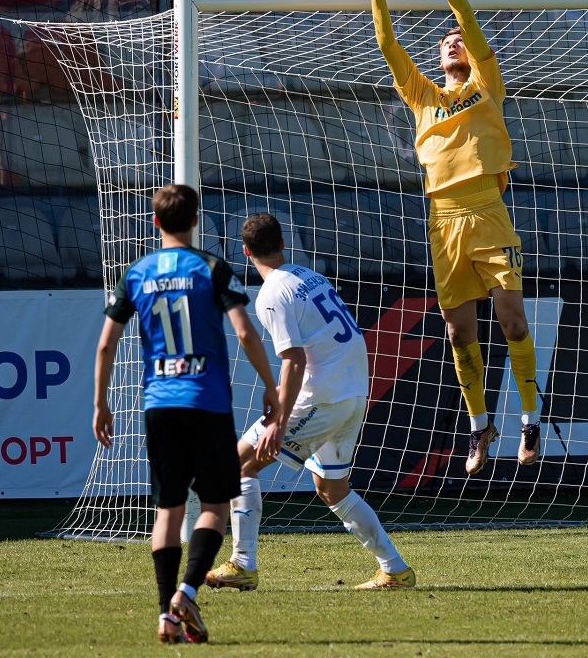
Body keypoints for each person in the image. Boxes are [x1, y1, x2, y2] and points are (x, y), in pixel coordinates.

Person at [356, 0, 541, 475]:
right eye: (445, 43)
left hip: (488, 210)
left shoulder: (487, 84)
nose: (454, 42)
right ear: (437, 60)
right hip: (442, 218)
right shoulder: (423, 98)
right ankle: (480, 425)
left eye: (456, 39)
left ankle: (530, 420)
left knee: (511, 321)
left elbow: (470, 24)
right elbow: (388, 46)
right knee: (459, 332)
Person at [93, 183, 278, 644]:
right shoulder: (212, 267)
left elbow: (105, 344)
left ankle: (164, 614)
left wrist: (100, 402)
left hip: (159, 405)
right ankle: (187, 591)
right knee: (215, 505)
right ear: (196, 220)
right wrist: (271, 387)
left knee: (167, 511)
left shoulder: (136, 272)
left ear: (155, 223)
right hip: (207, 402)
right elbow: (245, 332)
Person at [205, 213, 416, 592]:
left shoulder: (271, 293)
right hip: (353, 393)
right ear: (284, 243)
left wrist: (279, 421)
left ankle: (242, 564)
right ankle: (395, 569)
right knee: (331, 488)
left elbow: (294, 360)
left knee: (239, 465)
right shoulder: (311, 276)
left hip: (324, 395)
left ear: (245, 251)